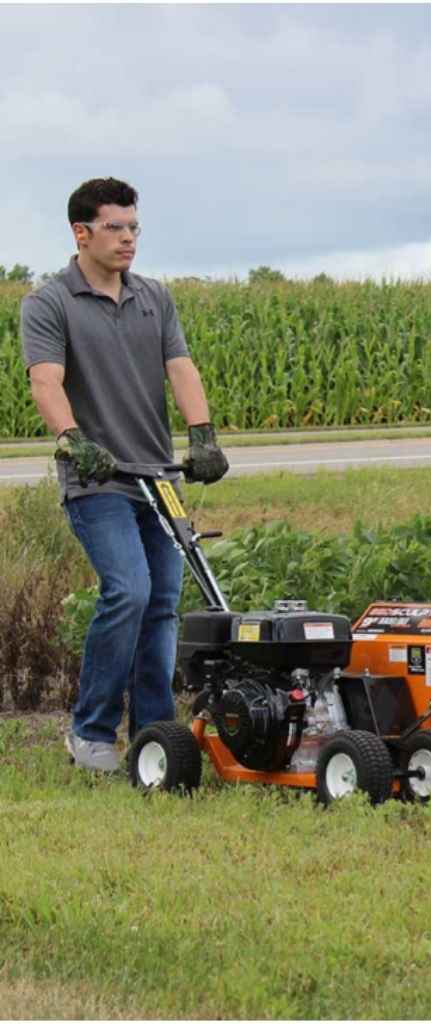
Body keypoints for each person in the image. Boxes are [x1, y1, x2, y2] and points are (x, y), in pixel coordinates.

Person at [19, 176, 229, 773]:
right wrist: (71, 439)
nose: (129, 238)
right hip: (99, 479)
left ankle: (155, 734)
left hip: (160, 476)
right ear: (81, 233)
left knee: (163, 602)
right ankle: (90, 732)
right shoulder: (50, 302)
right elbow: (46, 381)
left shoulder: (153, 297)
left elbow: (181, 367)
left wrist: (202, 433)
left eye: (134, 227)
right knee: (128, 591)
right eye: (116, 227)